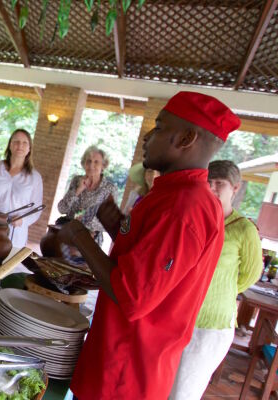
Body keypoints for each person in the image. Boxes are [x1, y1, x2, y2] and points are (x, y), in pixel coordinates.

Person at [58, 91, 240, 399]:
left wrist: (79, 236)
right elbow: (150, 260)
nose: (147, 137)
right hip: (123, 359)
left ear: (185, 138)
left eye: (158, 128)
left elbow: (133, 295)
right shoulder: (174, 194)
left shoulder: (183, 208)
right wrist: (116, 225)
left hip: (126, 371)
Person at [169, 160, 263, 400]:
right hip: (178, 316)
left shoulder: (244, 229)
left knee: (183, 393)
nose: (211, 188)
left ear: (235, 187)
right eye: (207, 183)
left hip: (210, 324)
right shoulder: (196, 219)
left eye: (219, 183)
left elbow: (250, 275)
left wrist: (213, 290)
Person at [57, 145, 116, 246]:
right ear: (84, 163)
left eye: (96, 162)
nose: (91, 165)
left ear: (103, 165)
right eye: (88, 161)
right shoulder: (76, 181)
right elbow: (62, 209)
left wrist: (88, 220)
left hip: (90, 240)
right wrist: (78, 190)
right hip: (68, 235)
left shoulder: (109, 188)